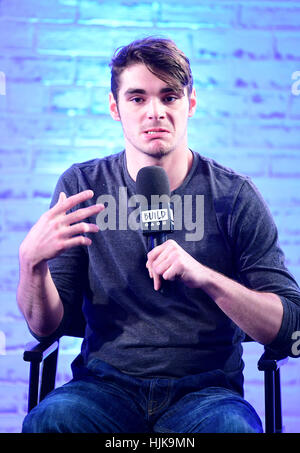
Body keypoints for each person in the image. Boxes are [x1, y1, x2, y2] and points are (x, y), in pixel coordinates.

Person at [18, 37, 300, 433]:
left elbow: (291, 331)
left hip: (207, 394)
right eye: (137, 98)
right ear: (115, 108)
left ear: (191, 103)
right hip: (102, 389)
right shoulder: (83, 185)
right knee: (51, 421)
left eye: (169, 97)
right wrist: (32, 265)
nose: (155, 112)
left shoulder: (234, 195)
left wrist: (206, 277)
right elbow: (44, 327)